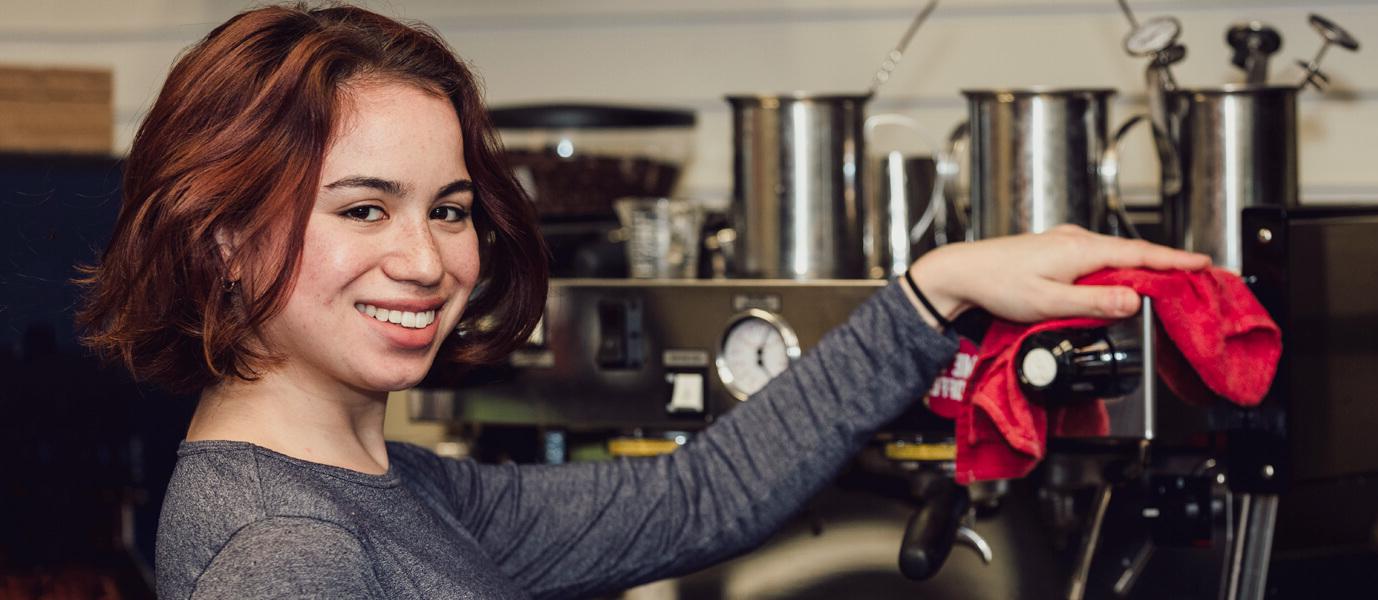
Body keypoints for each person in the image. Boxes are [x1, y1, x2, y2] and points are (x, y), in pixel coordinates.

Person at [76, 4, 1210, 599]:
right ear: (223, 236)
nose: (425, 263)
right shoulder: (288, 550)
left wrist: (931, 291)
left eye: (452, 207)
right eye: (363, 210)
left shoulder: (390, 492)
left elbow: (692, 499)